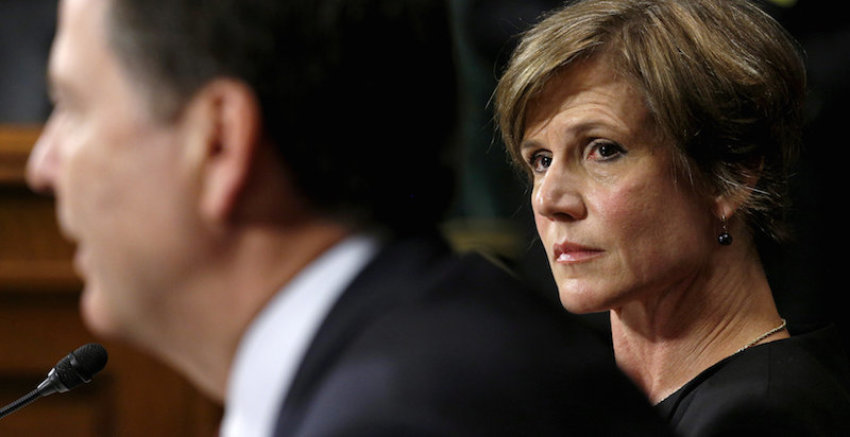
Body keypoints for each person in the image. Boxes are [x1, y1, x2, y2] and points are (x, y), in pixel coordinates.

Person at [25, 0, 671, 435]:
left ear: (218, 145)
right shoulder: (412, 357)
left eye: (72, 106)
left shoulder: (407, 413)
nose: (43, 164)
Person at [495, 0, 850, 435]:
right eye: (541, 159)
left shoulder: (767, 419)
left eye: (604, 149)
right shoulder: (606, 408)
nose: (549, 199)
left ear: (730, 176)